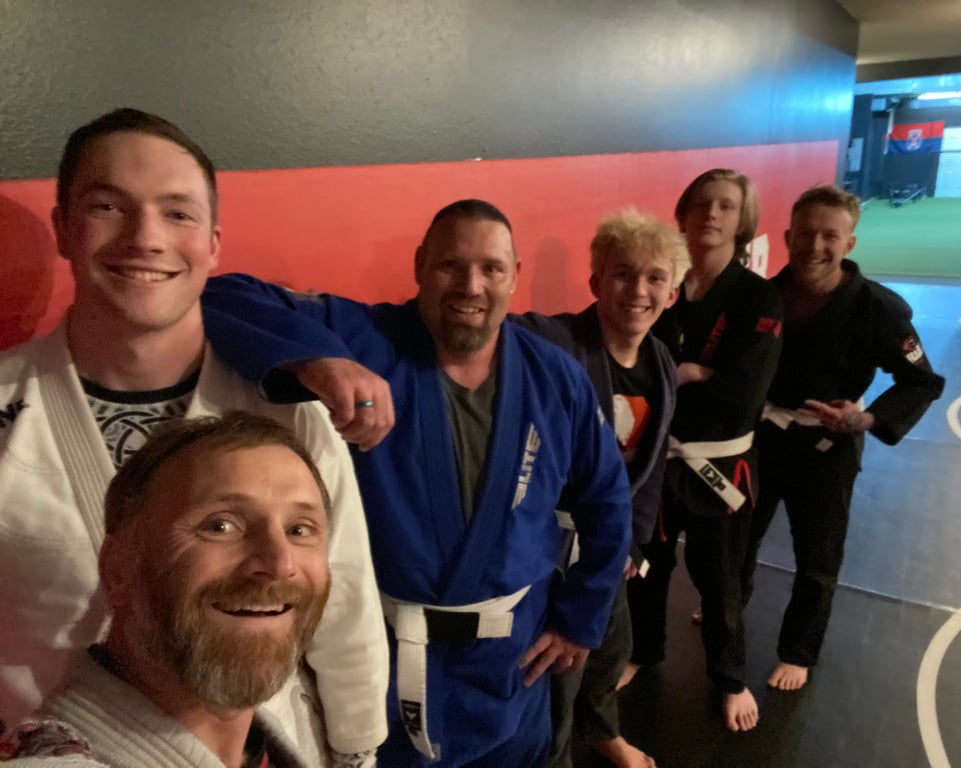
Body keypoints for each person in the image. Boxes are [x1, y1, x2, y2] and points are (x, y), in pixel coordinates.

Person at [0, 108, 389, 766]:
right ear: (65, 227)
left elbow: (343, 606)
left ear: (212, 243)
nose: (146, 238)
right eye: (107, 207)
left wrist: (358, 751)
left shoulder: (289, 415)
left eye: (177, 213)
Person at [200, 199, 634, 767]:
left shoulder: (555, 377)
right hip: (384, 659)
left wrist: (581, 618)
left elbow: (608, 500)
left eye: (491, 269)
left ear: (514, 276)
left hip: (513, 664)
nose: (471, 286)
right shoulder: (365, 339)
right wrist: (319, 360)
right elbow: (219, 295)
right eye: (451, 265)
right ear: (420, 266)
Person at [0, 412, 335, 767]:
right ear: (118, 565)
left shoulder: (270, 748)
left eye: (299, 530)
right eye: (220, 526)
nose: (280, 564)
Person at [742, 184, 945, 692]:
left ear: (849, 243)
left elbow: (922, 381)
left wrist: (868, 419)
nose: (815, 246)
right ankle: (729, 602)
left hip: (828, 446)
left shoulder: (879, 308)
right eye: (805, 234)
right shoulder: (762, 296)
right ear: (787, 236)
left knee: (818, 554)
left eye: (829, 236)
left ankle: (798, 651)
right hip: (762, 435)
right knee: (738, 537)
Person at [514, 211, 686, 768]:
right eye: (622, 274)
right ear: (596, 282)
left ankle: (601, 730)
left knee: (613, 647)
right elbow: (498, 327)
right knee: (559, 667)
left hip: (607, 540)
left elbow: (651, 467)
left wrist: (633, 542)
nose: (638, 290)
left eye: (655, 278)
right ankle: (554, 757)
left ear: (672, 293)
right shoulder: (558, 341)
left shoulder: (661, 362)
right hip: (550, 542)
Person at [621, 169, 782, 733]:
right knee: (648, 565)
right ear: (684, 214)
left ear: (743, 221)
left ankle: (730, 678)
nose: (711, 214)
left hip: (722, 463)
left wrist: (688, 373)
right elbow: (635, 363)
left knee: (719, 578)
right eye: (702, 204)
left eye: (726, 206)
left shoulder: (759, 296)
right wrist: (690, 373)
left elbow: (747, 390)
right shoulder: (665, 287)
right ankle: (643, 651)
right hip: (659, 458)